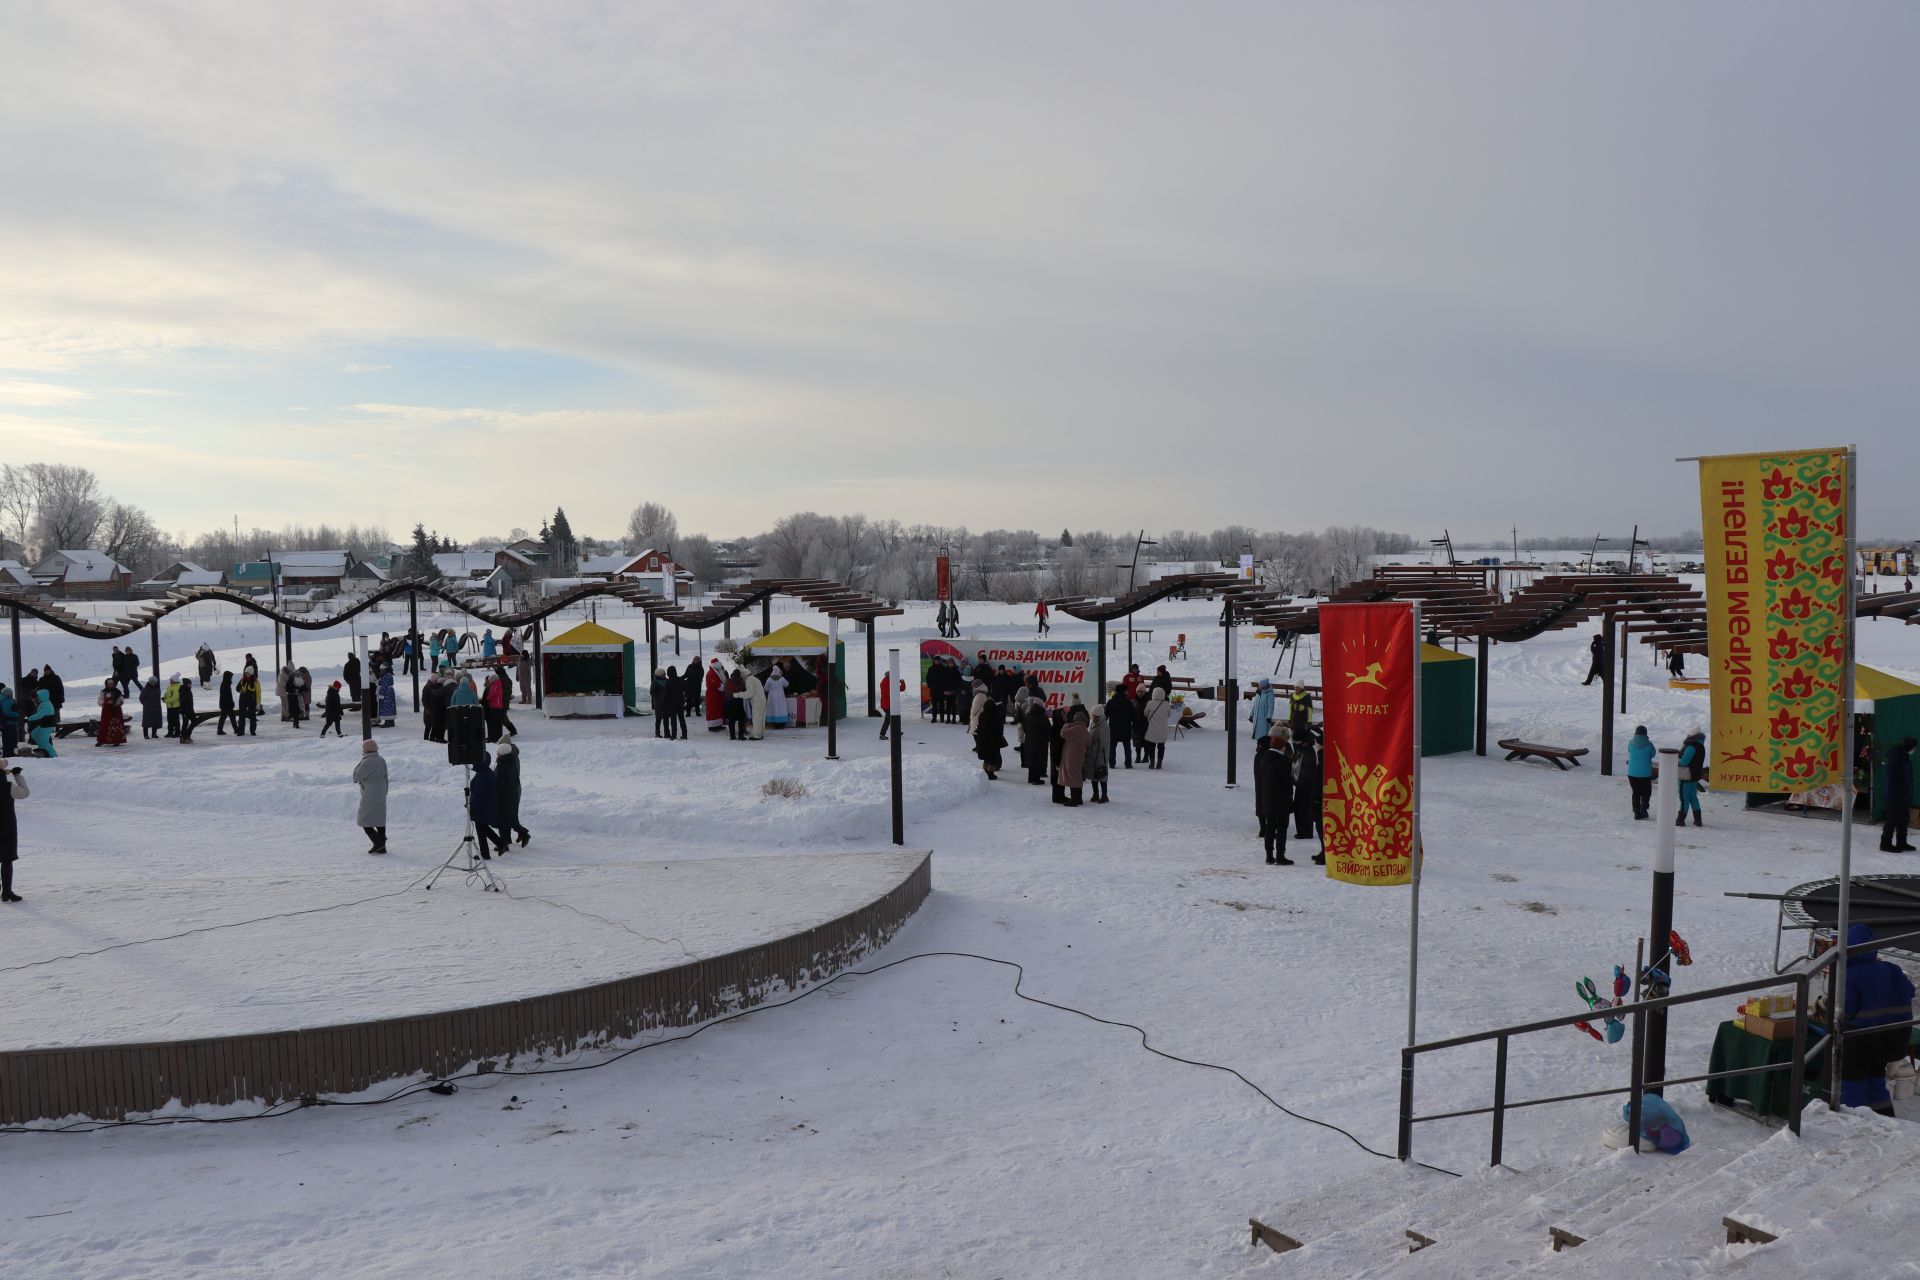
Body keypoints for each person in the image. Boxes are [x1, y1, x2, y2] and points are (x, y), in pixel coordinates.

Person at [1838, 924, 1917, 1115]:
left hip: (1862, 1039)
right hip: (1894, 1039)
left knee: (1852, 1081)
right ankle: (1884, 1115)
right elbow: (1910, 991)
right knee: (1875, 1077)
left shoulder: (1849, 975)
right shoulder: (1892, 968)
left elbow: (1846, 1011)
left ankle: (1852, 1118)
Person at [1254, 729, 1295, 865]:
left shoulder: (1264, 758)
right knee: (1282, 829)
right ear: (1282, 747)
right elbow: (1287, 783)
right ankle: (1280, 855)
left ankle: (1269, 855)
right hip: (1281, 801)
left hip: (1267, 799)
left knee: (1270, 828)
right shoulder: (1283, 761)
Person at [495, 731, 531, 848]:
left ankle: (520, 835)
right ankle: (508, 839)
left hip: (508, 792)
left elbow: (501, 780)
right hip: (514, 790)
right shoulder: (512, 756)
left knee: (506, 818)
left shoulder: (505, 762)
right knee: (510, 816)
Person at [1293, 731, 1325, 863]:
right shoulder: (1318, 755)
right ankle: (1324, 851)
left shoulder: (1320, 758)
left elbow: (1317, 778)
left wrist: (1316, 796)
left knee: (1322, 827)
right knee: (1319, 826)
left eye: (1318, 744)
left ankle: (1326, 854)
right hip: (1315, 794)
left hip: (1318, 796)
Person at [468, 750, 505, 858]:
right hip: (486, 806)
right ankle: (489, 852)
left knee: (481, 829)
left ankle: (496, 846)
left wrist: (471, 803)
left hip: (483, 807)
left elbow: (478, 794)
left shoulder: (483, 775)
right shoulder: (486, 772)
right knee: (482, 829)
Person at [1882, 736, 1916, 853]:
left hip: (1903, 794)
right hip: (1895, 795)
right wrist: (1899, 795)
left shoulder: (1903, 757)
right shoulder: (1896, 758)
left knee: (1904, 819)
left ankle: (1902, 842)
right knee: (1892, 820)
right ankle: (1885, 843)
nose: (1914, 750)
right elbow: (1894, 780)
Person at [354, 739, 388, 854]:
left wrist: (362, 760)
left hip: (369, 793)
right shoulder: (381, 760)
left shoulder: (367, 762)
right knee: (379, 818)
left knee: (364, 819)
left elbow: (356, 776)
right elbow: (386, 777)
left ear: (365, 750)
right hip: (381, 792)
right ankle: (382, 846)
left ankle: (378, 843)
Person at [0, 763, 24, 902]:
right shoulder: (8, 787)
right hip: (7, 826)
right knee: (7, 859)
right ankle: (7, 892)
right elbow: (24, 792)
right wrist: (17, 776)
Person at [1058, 705, 1090, 806]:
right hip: (1080, 755)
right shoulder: (1085, 729)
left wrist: (1067, 723)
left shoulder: (1076, 728)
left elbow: (1063, 733)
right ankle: (1078, 798)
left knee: (1072, 777)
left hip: (1071, 755)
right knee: (1077, 776)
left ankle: (1074, 799)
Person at [973, 687, 1006, 780]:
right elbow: (999, 730)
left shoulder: (982, 715)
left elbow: (980, 728)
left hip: (983, 740)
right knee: (992, 758)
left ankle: (985, 771)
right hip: (993, 741)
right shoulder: (995, 717)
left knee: (986, 757)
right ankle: (990, 773)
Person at [1676, 728, 1706, 827]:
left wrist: (1675, 761)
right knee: (1693, 798)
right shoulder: (1701, 746)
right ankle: (1698, 820)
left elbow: (1684, 762)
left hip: (1686, 776)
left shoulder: (1691, 747)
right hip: (1694, 776)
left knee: (1684, 798)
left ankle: (1680, 820)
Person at [1019, 692, 1051, 785]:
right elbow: (1048, 730)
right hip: (1040, 742)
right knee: (1038, 759)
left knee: (1031, 759)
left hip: (1029, 741)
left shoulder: (1028, 715)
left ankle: (1030, 777)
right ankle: (1036, 779)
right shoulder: (1043, 717)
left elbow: (1024, 728)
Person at [1626, 725, 1656, 821]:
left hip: (1632, 773)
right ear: (1645, 734)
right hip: (1645, 773)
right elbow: (1653, 754)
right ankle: (1643, 808)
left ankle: (1636, 812)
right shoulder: (1649, 744)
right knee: (1646, 791)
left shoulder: (1631, 743)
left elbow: (1629, 751)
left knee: (1636, 792)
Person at [1105, 683, 1137, 769]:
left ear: (1116, 691)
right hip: (1126, 728)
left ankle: (1111, 763)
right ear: (1124, 691)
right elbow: (1132, 716)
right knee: (1127, 746)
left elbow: (1106, 714)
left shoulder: (1111, 702)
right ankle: (1128, 763)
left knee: (1112, 747)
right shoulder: (1128, 702)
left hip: (1113, 728)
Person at [1142, 686, 1173, 769]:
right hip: (1162, 729)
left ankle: (1152, 762)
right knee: (1161, 746)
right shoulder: (1166, 704)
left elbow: (1145, 713)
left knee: (1151, 746)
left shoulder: (1149, 703)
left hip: (1152, 728)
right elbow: (1169, 714)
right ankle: (1159, 762)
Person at [1086, 703, 1110, 803]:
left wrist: (1094, 747)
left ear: (1098, 716)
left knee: (1101, 774)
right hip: (1092, 752)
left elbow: (1104, 742)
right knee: (1093, 774)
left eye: (1094, 716)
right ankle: (1095, 794)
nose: (1092, 717)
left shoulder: (1104, 725)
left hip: (1101, 755)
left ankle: (1104, 795)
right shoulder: (1092, 723)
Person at [95, 680, 128, 747]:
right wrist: (106, 702)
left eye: (112, 683)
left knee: (116, 725)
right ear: (106, 684)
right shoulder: (103, 692)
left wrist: (118, 702)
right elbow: (100, 701)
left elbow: (122, 699)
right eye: (109, 683)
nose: (110, 685)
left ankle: (117, 741)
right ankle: (102, 740)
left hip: (116, 710)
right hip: (107, 711)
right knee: (104, 725)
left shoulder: (118, 691)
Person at [25, 689, 56, 757]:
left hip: (48, 725)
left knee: (44, 742)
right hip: (44, 724)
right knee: (34, 734)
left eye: (39, 696)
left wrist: (29, 719)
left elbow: (39, 715)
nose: (37, 698)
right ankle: (42, 749)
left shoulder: (46, 704)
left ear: (43, 696)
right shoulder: (43, 703)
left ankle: (53, 756)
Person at [483, 668, 510, 742]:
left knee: (495, 723)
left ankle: (494, 738)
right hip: (498, 706)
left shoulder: (495, 685)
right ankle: (498, 737)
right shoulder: (497, 684)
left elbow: (493, 695)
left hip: (495, 707)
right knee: (498, 723)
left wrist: (488, 698)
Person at [743, 667, 767, 740]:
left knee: (756, 718)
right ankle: (761, 733)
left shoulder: (749, 681)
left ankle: (757, 735)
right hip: (762, 700)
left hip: (757, 701)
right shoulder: (755, 679)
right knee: (761, 718)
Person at [236, 669, 261, 736]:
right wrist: (240, 690)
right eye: (246, 673)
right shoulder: (242, 680)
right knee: (241, 716)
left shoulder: (256, 681)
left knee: (252, 716)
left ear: (251, 673)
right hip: (242, 700)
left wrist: (258, 703)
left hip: (251, 700)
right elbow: (237, 688)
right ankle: (241, 731)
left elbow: (258, 693)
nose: (246, 674)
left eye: (248, 673)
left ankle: (252, 731)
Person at [1250, 678, 1275, 742]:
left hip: (1264, 717)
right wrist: (1251, 715)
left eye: (1259, 685)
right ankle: (1259, 744)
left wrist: (1269, 717)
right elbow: (1255, 705)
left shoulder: (1269, 694)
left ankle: (1263, 745)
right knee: (1257, 732)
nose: (1258, 686)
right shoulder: (1258, 693)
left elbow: (1271, 707)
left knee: (1263, 733)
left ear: (1263, 686)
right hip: (1257, 717)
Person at [705, 659, 726, 732]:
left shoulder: (715, 672)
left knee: (718, 709)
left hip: (717, 695)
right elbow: (715, 684)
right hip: (712, 695)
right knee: (713, 710)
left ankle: (718, 724)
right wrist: (724, 687)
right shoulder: (711, 673)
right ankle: (712, 726)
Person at [215, 671, 238, 735]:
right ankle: (235, 729)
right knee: (228, 717)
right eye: (231, 677)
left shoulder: (226, 683)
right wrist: (231, 703)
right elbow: (227, 696)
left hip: (225, 704)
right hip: (226, 705)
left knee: (227, 717)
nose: (231, 678)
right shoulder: (225, 684)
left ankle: (220, 730)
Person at [162, 674, 182, 738]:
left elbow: (175, 697)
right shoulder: (170, 686)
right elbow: (166, 693)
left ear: (174, 680)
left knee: (175, 720)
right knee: (170, 720)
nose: (170, 681)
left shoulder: (178, 687)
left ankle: (177, 732)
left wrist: (166, 701)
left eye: (171, 680)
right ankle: (170, 732)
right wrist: (164, 697)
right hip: (169, 706)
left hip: (175, 706)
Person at [0, 681, 17, 758]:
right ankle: (8, 754)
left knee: (8, 739)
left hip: (5, 722)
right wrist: (18, 714)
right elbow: (7, 712)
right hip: (8, 722)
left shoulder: (4, 699)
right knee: (9, 739)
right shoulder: (6, 701)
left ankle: (9, 753)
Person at [176, 678, 196, 743]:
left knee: (194, 722)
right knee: (185, 724)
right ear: (186, 684)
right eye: (189, 684)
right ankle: (183, 737)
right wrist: (185, 712)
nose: (190, 685)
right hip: (185, 711)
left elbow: (190, 702)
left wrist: (192, 711)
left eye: (191, 684)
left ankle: (187, 735)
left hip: (190, 710)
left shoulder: (188, 690)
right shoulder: (183, 691)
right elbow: (183, 703)